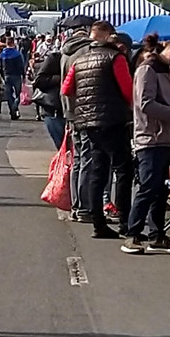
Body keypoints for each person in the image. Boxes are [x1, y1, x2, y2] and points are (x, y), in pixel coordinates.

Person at [123, 35, 170, 254]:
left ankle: (157, 235)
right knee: (148, 187)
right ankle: (132, 234)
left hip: (168, 138)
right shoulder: (148, 70)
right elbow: (146, 104)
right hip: (151, 138)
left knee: (161, 189)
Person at [61, 21, 134, 239]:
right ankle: (124, 220)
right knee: (123, 169)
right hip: (112, 119)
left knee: (97, 171)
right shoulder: (115, 58)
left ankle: (98, 223)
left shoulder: (80, 59)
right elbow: (128, 91)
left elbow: (66, 88)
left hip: (86, 121)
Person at [59, 24, 95, 222]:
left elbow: (65, 84)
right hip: (85, 110)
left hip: (70, 110)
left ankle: (76, 204)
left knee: (78, 159)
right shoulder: (87, 51)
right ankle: (83, 206)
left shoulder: (65, 52)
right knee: (87, 159)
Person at [32, 43, 66, 148]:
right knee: (63, 148)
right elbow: (39, 81)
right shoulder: (55, 59)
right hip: (55, 110)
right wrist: (60, 78)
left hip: (77, 113)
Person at [0, 36, 27, 120]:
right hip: (17, 76)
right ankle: (15, 106)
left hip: (7, 76)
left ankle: (12, 110)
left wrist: (2, 76)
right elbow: (21, 66)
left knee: (9, 94)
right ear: (13, 43)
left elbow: (0, 67)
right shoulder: (17, 54)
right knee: (18, 94)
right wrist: (24, 75)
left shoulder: (2, 54)